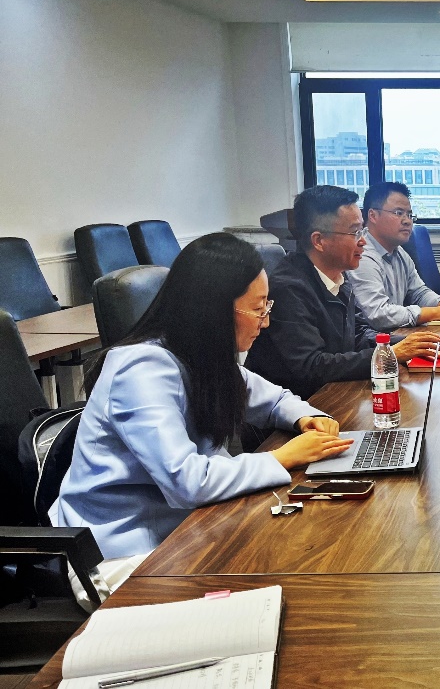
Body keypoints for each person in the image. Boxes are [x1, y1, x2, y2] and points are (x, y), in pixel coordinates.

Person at [52, 233, 355, 598]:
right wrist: (282, 457)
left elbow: (274, 399)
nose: (265, 322)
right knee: (281, 588)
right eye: (258, 309)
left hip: (191, 528)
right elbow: (187, 481)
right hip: (124, 555)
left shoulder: (200, 354)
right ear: (215, 310)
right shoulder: (142, 369)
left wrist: (305, 418)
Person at [246, 185, 440, 399]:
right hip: (293, 408)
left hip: (331, 394)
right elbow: (311, 366)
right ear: (319, 241)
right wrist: (389, 354)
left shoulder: (339, 276)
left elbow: (359, 333)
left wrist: (406, 344)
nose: (363, 241)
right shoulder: (288, 289)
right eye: (355, 232)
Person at [346, 181, 440, 331]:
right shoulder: (361, 255)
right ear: (373, 215)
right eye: (398, 213)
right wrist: (436, 313)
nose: (407, 221)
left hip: (398, 335)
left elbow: (419, 293)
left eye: (410, 215)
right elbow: (378, 314)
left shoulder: (399, 252)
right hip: (373, 342)